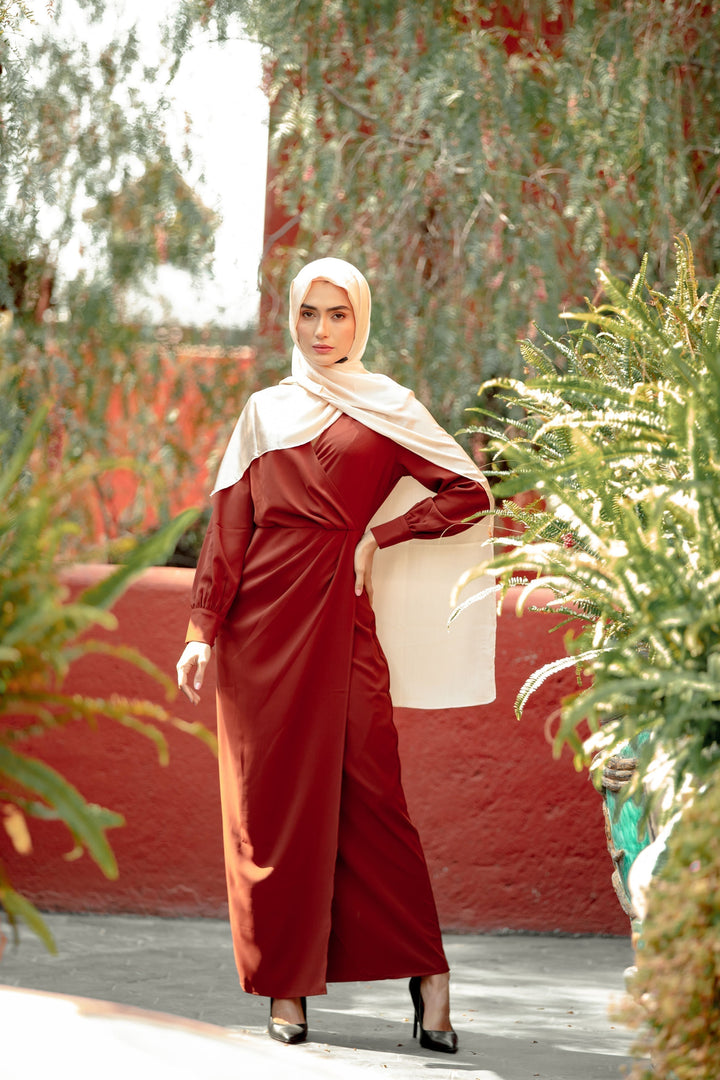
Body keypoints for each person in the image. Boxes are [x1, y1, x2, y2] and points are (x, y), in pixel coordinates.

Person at [176, 257, 495, 1053]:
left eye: (338, 315)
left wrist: (380, 538)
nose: (321, 332)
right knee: (271, 804)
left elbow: (467, 492)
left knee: (375, 795)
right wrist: (199, 632)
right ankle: (288, 984)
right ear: (293, 318)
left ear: (362, 319)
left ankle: (429, 974)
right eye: (309, 314)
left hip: (343, 618)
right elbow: (229, 530)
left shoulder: (390, 409)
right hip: (259, 632)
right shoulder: (261, 412)